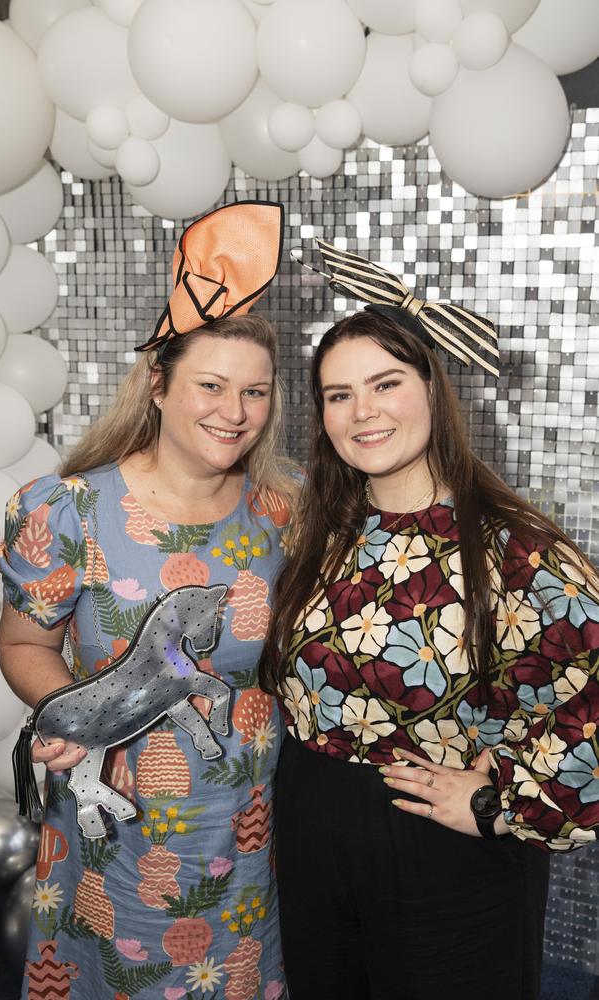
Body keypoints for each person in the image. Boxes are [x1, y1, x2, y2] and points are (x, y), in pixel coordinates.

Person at [260, 241, 599, 1000]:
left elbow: (586, 703)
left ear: (434, 388)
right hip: (314, 826)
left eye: (385, 383)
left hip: (442, 845)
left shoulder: (518, 548)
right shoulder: (316, 531)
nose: (363, 411)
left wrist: (498, 800)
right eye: (338, 394)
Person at [0, 201, 295, 1000]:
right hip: (118, 829)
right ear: (158, 384)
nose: (233, 413)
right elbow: (25, 646)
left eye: (255, 392)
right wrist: (67, 711)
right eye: (211, 385)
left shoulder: (280, 515)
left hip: (249, 827)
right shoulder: (71, 511)